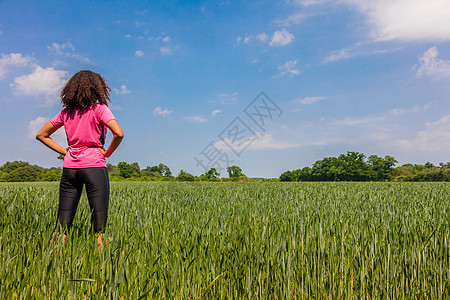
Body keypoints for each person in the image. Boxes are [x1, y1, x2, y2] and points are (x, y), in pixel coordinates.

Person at [36, 70, 123, 250]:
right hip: (94, 166)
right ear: (97, 89)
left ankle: (54, 261)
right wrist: (107, 153)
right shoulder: (100, 109)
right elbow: (119, 133)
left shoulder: (66, 113)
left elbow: (41, 135)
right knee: (99, 224)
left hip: (70, 168)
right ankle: (101, 267)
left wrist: (65, 152)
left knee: (63, 222)